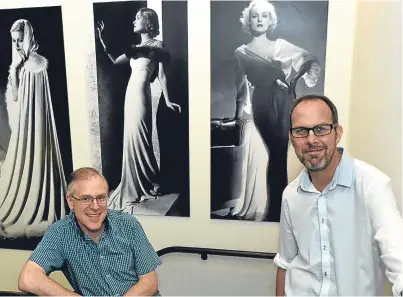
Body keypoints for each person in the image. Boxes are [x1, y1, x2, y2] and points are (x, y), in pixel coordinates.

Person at [274, 94, 403, 296]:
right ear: (292, 138)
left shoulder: (372, 185)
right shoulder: (291, 194)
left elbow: (397, 253)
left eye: (321, 129)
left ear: (338, 133)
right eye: (300, 131)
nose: (311, 139)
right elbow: (286, 262)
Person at [228, 0, 321, 221]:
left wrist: (294, 80)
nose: (259, 20)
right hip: (263, 104)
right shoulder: (241, 52)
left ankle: (278, 212)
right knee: (277, 155)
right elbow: (240, 86)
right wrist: (237, 114)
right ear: (247, 20)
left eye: (264, 16)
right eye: (255, 16)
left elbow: (310, 60)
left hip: (285, 101)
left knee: (280, 156)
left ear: (271, 21)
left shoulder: (280, 45)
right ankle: (276, 212)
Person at [18, 167, 162, 296]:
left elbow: (150, 282)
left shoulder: (128, 224)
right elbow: (28, 278)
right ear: (70, 202)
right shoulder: (61, 233)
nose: (95, 206)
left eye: (100, 198)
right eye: (85, 198)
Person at [96, 7, 181, 212]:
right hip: (130, 96)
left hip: (142, 95)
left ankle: (149, 182)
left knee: (141, 136)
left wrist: (168, 100)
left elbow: (161, 75)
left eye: (137, 18)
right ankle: (136, 182)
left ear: (148, 22)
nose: (134, 22)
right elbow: (116, 62)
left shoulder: (158, 46)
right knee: (131, 137)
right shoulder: (134, 48)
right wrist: (102, 40)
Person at [0, 19, 67, 237]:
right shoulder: (21, 64)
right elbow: (18, 97)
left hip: (35, 128)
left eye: (20, 40)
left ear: (28, 37)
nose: (18, 45)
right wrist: (16, 69)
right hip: (22, 123)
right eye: (14, 41)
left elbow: (38, 107)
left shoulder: (37, 65)